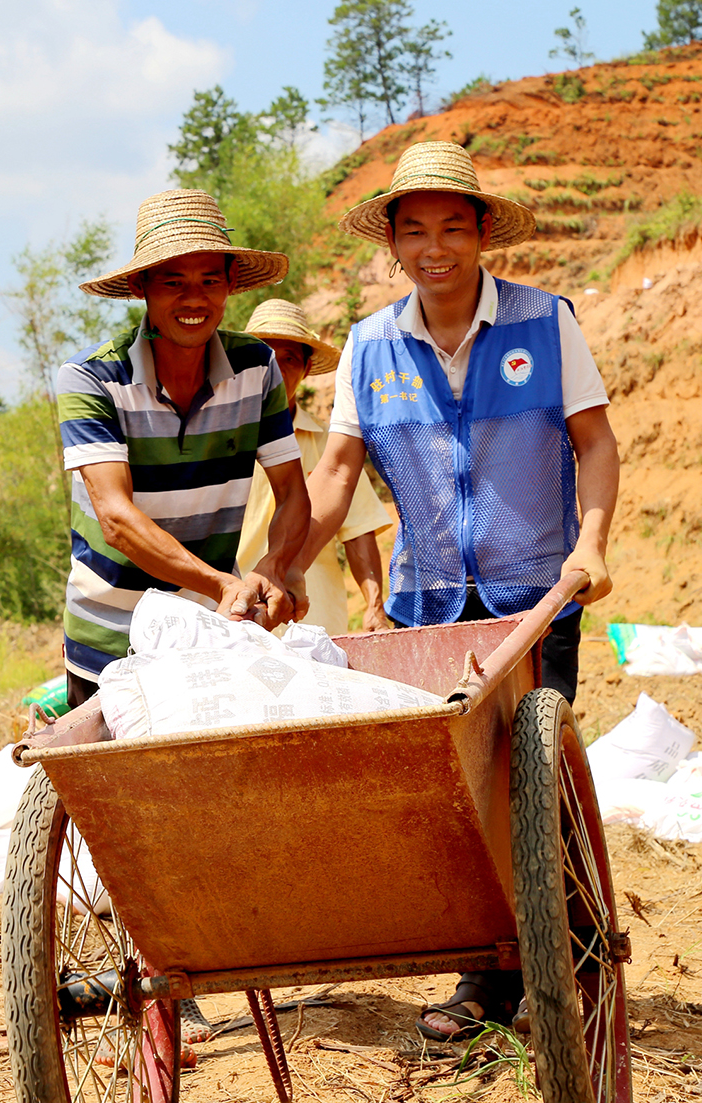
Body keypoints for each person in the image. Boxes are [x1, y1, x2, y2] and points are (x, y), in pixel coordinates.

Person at [288, 141, 621, 1042]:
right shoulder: (370, 344)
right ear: (393, 244)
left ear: (480, 234)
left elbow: (593, 441)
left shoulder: (543, 324)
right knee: (454, 796)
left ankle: (547, 952)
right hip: (427, 606)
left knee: (531, 781)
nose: (435, 248)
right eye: (415, 232)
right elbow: (336, 473)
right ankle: (495, 970)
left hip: (533, 596)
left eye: (452, 228)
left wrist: (588, 544)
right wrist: (283, 564)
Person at [56, 189, 311, 712]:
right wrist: (220, 583)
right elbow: (117, 519)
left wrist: (272, 565)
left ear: (230, 284)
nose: (194, 299)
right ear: (140, 287)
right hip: (110, 641)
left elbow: (292, 494)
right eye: (173, 282)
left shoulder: (257, 367)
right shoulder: (90, 379)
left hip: (215, 633)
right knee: (115, 791)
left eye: (209, 281)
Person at [233, 299, 391, 635]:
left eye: (289, 358)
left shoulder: (330, 445)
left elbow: (358, 529)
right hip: (235, 616)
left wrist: (374, 607)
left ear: (305, 370)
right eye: (265, 356)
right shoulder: (218, 439)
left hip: (310, 623)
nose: (276, 368)